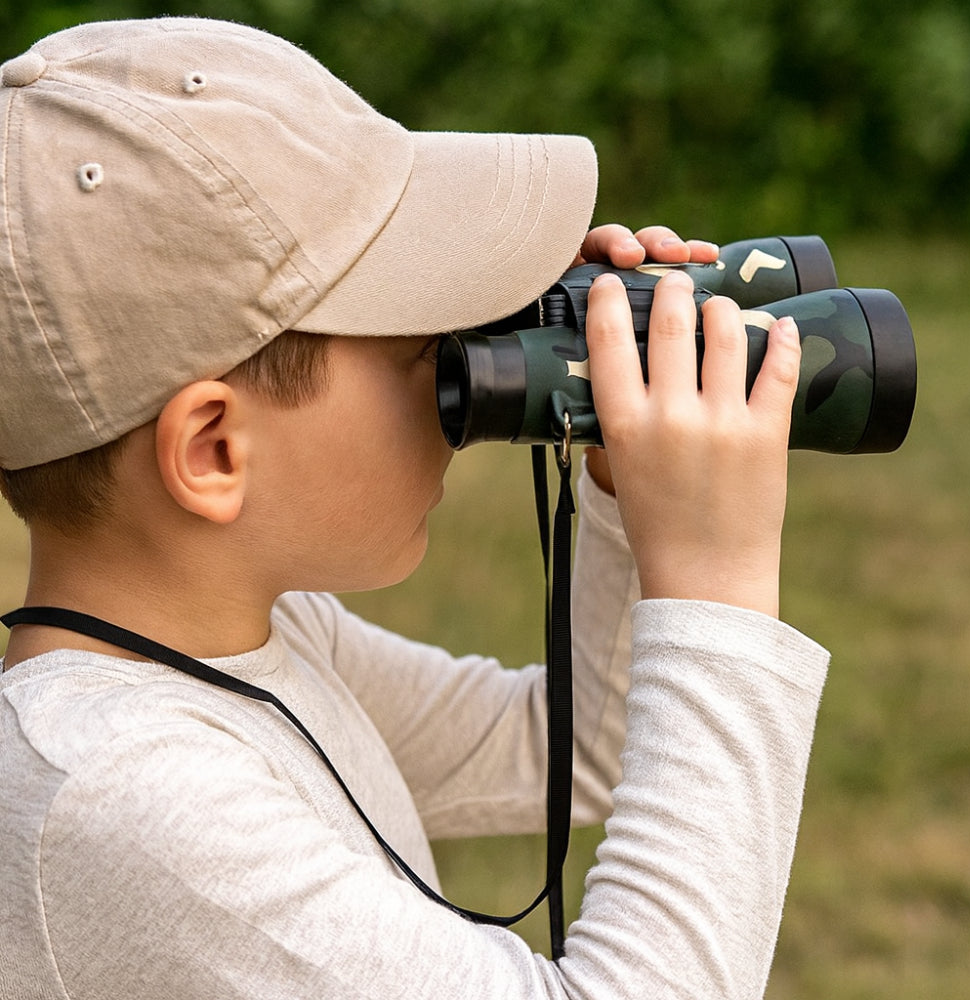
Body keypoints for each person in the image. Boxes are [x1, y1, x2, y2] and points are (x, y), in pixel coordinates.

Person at [0, 17, 829, 1000]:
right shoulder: (124, 799)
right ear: (216, 450)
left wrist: (611, 479)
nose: (465, 365)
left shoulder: (256, 636)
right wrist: (717, 586)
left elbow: (569, 749)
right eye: (421, 349)